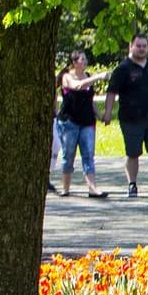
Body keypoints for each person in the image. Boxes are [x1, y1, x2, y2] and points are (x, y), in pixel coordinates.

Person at [104, 35, 148, 197]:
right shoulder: (123, 69)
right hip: (131, 119)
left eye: (144, 46)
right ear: (131, 47)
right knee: (133, 153)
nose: (142, 49)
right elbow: (111, 92)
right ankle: (132, 184)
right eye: (138, 46)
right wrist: (107, 113)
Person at [56, 50, 109, 198]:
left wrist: (101, 116)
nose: (85, 62)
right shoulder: (67, 77)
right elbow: (77, 86)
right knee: (69, 155)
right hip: (69, 122)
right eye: (82, 60)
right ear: (74, 62)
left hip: (87, 122)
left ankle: (93, 189)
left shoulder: (88, 77)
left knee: (88, 155)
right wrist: (99, 77)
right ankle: (65, 188)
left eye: (86, 60)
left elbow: (90, 101)